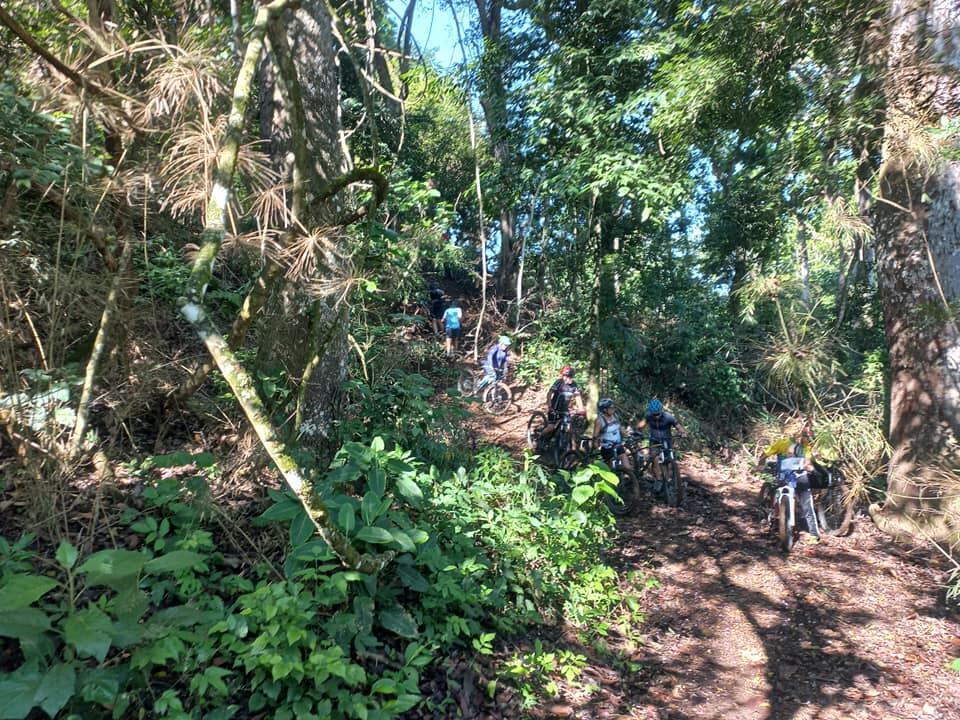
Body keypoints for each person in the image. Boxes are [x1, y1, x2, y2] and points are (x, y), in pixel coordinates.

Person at [757, 417, 825, 544]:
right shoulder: (783, 443)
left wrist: (810, 468)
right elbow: (765, 454)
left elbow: (807, 463)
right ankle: (770, 517)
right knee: (777, 494)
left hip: (800, 477)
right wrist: (761, 465)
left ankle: (814, 534)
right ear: (798, 433)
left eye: (809, 434)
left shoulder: (806, 447)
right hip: (784, 477)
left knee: (807, 505)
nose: (808, 437)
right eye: (806, 434)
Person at [637, 399, 684, 486]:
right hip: (654, 441)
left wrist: (682, 432)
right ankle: (659, 480)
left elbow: (678, 426)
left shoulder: (668, 417)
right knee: (654, 459)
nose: (656, 416)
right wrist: (639, 430)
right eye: (654, 414)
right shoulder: (649, 416)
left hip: (667, 440)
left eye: (658, 414)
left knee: (668, 459)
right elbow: (640, 426)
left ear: (661, 411)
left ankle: (668, 479)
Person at [541, 365, 586, 443]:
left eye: (569, 377)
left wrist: (581, 410)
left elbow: (578, 397)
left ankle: (561, 444)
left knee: (568, 428)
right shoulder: (559, 383)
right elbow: (549, 393)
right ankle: (539, 438)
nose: (567, 378)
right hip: (554, 408)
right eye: (565, 376)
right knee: (551, 427)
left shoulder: (574, 385)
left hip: (564, 410)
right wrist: (549, 405)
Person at [594, 398, 635, 473]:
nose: (613, 409)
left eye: (614, 407)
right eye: (611, 408)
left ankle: (629, 476)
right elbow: (595, 435)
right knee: (611, 468)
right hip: (607, 448)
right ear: (604, 410)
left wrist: (628, 435)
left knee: (626, 465)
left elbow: (620, 428)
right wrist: (596, 446)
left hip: (618, 445)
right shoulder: (599, 421)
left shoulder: (615, 416)